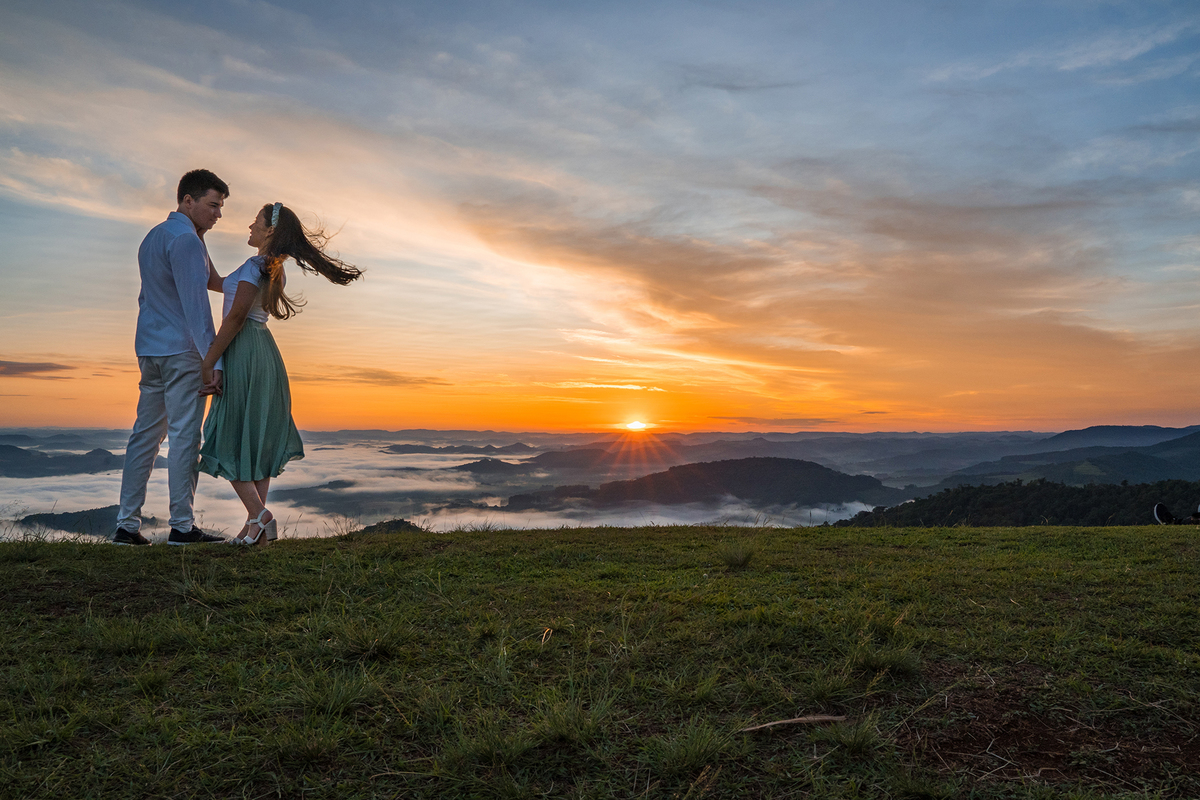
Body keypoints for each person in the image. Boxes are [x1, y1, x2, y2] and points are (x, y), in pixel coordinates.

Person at [198, 202, 362, 544]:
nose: (249, 226)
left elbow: (236, 317)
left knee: (229, 431)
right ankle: (254, 527)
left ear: (269, 230)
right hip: (264, 352)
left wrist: (210, 360)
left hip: (244, 351)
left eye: (255, 222)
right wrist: (198, 238)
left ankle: (261, 515)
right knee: (255, 436)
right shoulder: (268, 267)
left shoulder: (256, 265)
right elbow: (216, 282)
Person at [114, 170, 229, 546]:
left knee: (144, 437)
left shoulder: (156, 237)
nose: (218, 214)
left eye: (220, 207)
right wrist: (214, 361)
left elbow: (211, 281)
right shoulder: (186, 241)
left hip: (149, 348)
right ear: (188, 201)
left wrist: (250, 279)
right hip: (183, 351)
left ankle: (126, 526)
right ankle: (182, 526)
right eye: (213, 205)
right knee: (184, 437)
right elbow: (197, 307)